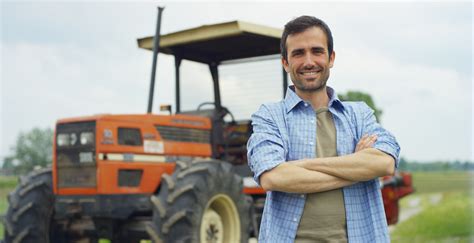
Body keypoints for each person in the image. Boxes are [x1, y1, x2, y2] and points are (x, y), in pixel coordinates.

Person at [247, 15, 400, 243]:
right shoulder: (270, 116)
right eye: (298, 53)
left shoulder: (359, 114)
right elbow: (273, 177)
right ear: (285, 62)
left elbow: (385, 163)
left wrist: (300, 166)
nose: (309, 61)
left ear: (331, 58)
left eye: (317, 51)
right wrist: (356, 168)